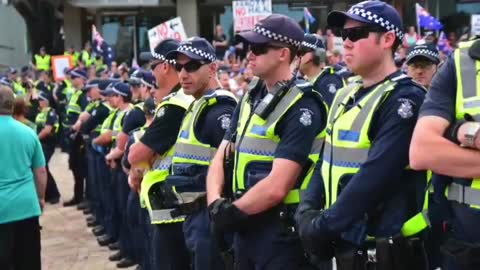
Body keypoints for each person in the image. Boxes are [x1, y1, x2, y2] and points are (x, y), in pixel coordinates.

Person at [295, 2, 430, 269]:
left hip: (380, 250)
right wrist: (306, 211)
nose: (345, 42)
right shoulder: (346, 94)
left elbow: (375, 175)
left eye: (357, 34)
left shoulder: (405, 99)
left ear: (388, 39)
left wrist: (322, 226)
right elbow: (325, 160)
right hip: (341, 244)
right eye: (344, 34)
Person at [207, 14, 327, 269]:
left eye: (259, 48)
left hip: (280, 234)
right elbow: (221, 154)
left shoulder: (302, 105)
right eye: (249, 47)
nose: (249, 54)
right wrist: (215, 203)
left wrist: (231, 212)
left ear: (284, 53)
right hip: (245, 226)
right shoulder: (251, 95)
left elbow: (277, 186)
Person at [165, 36, 237, 270]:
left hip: (210, 218)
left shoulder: (219, 112)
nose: (183, 74)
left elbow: (231, 171)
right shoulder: (198, 105)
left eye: (193, 66)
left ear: (213, 68)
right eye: (179, 67)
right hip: (195, 217)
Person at [409, 36, 480, 270]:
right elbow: (421, 153)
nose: (419, 71)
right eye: (414, 65)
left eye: (425, 65)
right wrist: (460, 130)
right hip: (464, 241)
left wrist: (457, 131)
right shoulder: (463, 61)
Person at [129, 38, 193, 270]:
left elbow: (136, 154)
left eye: (153, 66)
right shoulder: (180, 100)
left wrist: (140, 161)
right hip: (175, 204)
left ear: (165, 66)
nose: (152, 73)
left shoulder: (176, 105)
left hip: (173, 209)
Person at [0, 86, 47, 270]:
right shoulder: (28, 133)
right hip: (26, 206)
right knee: (29, 260)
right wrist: (41, 197)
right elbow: (40, 171)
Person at [63, 68, 89, 206]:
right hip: (71, 135)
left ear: (81, 79)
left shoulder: (83, 95)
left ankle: (84, 197)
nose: (71, 80)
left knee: (80, 167)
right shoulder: (75, 93)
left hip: (78, 136)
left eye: (74, 77)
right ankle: (77, 196)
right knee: (74, 166)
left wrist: (76, 131)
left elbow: (84, 116)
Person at [299, 33, 345, 106]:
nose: (296, 56)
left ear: (318, 55)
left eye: (301, 52)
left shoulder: (330, 82)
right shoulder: (301, 81)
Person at [35, 91, 61, 204]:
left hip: (48, 144)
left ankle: (54, 194)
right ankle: (49, 194)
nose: (39, 102)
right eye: (39, 100)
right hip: (41, 143)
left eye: (41, 100)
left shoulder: (51, 112)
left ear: (46, 101)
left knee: (43, 167)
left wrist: (34, 139)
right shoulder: (41, 112)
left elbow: (47, 130)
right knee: (43, 167)